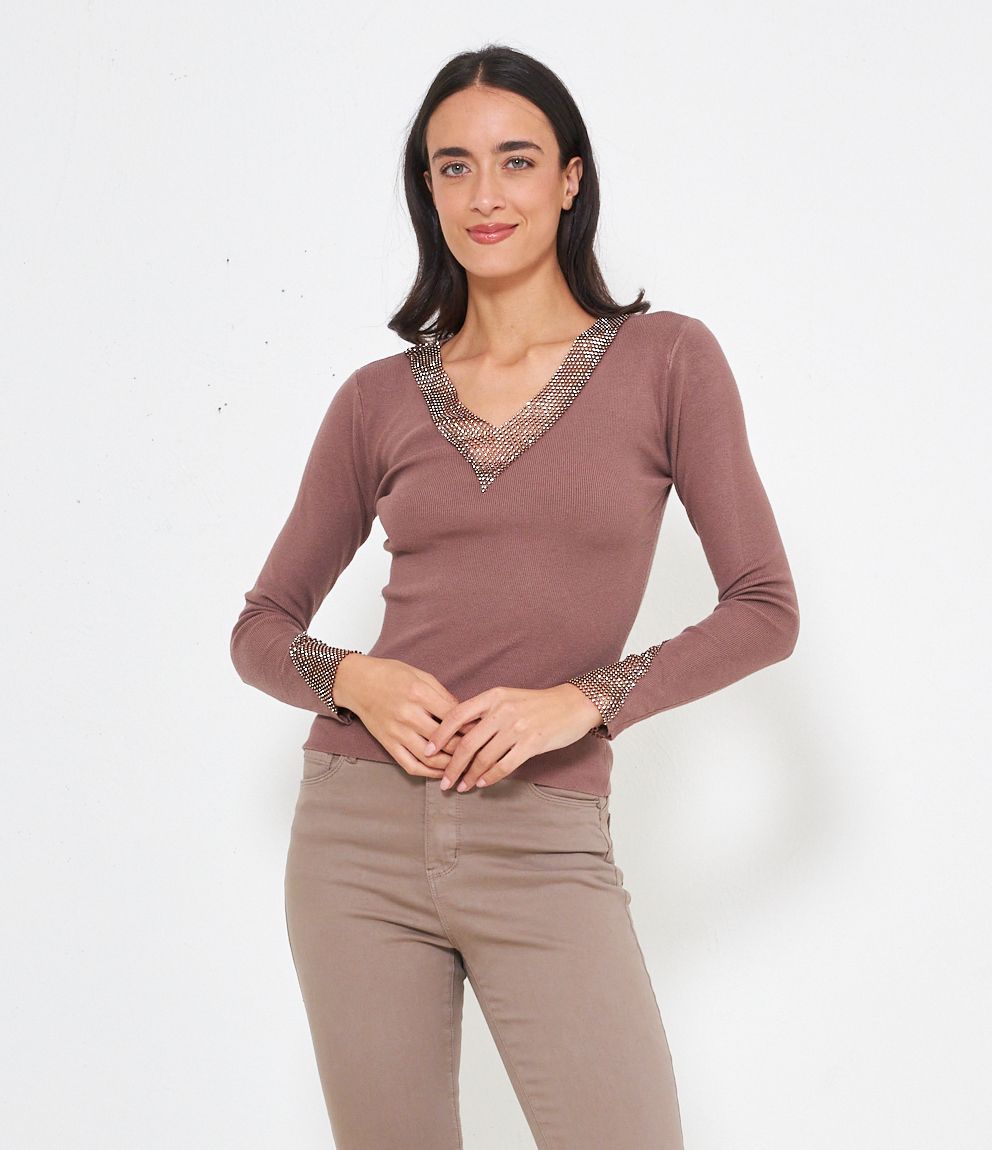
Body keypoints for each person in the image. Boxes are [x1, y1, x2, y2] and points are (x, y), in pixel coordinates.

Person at [230, 43, 799, 1150]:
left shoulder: (667, 361)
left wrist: (584, 700)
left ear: (570, 179)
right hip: (355, 839)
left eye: (517, 160)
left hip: (544, 835)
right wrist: (355, 680)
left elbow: (764, 605)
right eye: (454, 166)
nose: (485, 194)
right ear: (427, 189)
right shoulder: (375, 400)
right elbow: (260, 629)